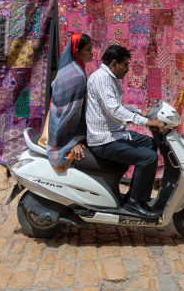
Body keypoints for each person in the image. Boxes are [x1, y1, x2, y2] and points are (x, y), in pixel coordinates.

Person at [86, 45, 164, 218]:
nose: (128, 69)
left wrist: (139, 111)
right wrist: (147, 121)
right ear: (114, 63)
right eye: (126, 65)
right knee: (149, 157)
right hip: (104, 140)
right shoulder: (102, 79)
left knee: (151, 143)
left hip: (115, 133)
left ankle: (135, 195)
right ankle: (134, 203)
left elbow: (117, 106)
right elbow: (114, 110)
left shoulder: (109, 77)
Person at [46, 33, 93, 170]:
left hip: (55, 126)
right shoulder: (77, 76)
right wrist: (73, 142)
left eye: (91, 48)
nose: (92, 52)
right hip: (64, 133)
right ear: (77, 52)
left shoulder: (67, 68)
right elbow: (70, 115)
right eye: (88, 49)